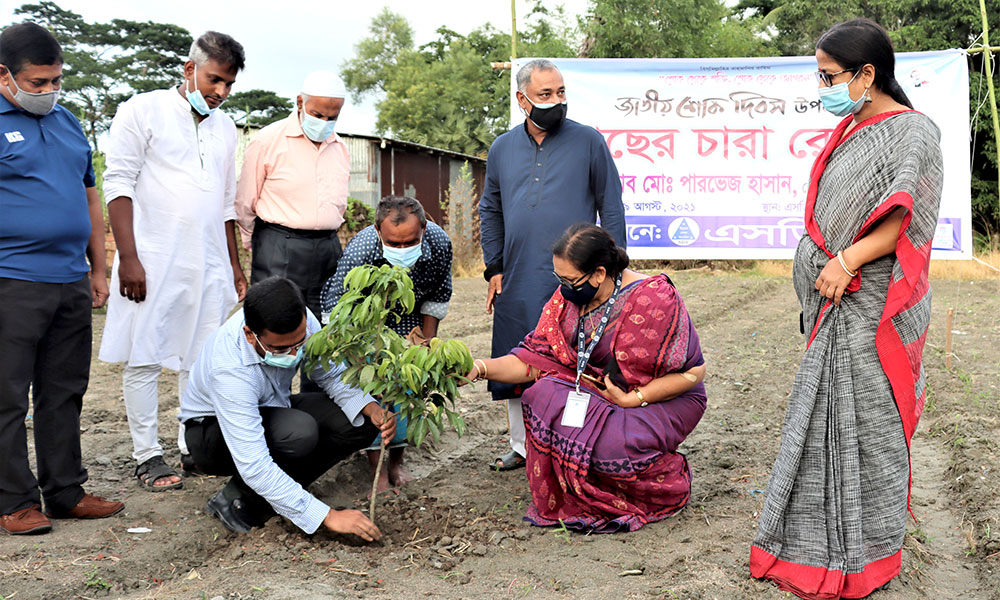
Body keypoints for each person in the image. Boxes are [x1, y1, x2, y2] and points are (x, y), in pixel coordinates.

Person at [750, 19, 944, 600]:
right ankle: (811, 545)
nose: (822, 87)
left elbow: (901, 220)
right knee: (820, 422)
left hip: (870, 304)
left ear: (867, 74)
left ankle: (868, 555)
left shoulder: (911, 132)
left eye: (829, 76)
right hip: (833, 301)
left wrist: (846, 259)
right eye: (819, 75)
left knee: (868, 428)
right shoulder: (849, 129)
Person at [468, 224, 706, 532]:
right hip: (598, 391)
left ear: (599, 274)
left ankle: (667, 483)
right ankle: (582, 489)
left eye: (569, 280)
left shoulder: (654, 298)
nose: (563, 288)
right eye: (559, 278)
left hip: (661, 397)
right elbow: (534, 360)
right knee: (541, 395)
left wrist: (633, 398)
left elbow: (693, 372)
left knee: (611, 448)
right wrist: (479, 368)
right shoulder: (568, 299)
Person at [99, 31, 248, 492]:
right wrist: (128, 258)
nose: (221, 92)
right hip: (153, 259)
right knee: (143, 356)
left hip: (207, 263)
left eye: (229, 84)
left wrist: (234, 266)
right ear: (189, 70)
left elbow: (226, 204)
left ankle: (191, 447)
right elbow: (118, 184)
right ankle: (147, 455)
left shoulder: (226, 128)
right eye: (214, 79)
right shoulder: (142, 110)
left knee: (199, 360)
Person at [0, 22, 123, 535]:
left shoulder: (68, 121)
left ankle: (66, 491)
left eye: (56, 81)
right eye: (38, 82)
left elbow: (88, 194)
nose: (49, 91)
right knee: (7, 396)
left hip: (70, 278)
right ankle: (14, 501)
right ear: (4, 75)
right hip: (12, 279)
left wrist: (99, 265)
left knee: (64, 389)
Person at [479, 59, 627, 472]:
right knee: (517, 355)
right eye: (545, 94)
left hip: (579, 276)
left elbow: (611, 206)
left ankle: (577, 447)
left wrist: (612, 268)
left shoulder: (588, 141)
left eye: (560, 92)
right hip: (519, 274)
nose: (556, 101)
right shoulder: (502, 148)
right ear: (522, 99)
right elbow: (490, 209)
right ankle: (522, 446)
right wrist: (494, 268)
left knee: (579, 359)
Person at [179, 277, 395, 539]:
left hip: (273, 407)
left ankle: (279, 496)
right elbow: (254, 463)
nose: (293, 354)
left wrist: (372, 408)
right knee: (299, 432)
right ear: (250, 335)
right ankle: (237, 500)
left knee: (357, 421)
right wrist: (326, 516)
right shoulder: (229, 371)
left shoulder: (301, 321)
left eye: (299, 344)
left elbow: (330, 374)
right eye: (281, 349)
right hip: (211, 434)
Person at [320, 196, 452, 493]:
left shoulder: (439, 242)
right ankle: (376, 471)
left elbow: (438, 294)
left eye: (410, 242)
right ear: (378, 231)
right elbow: (338, 305)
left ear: (423, 229)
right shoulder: (362, 248)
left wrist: (426, 344)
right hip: (368, 326)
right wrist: (360, 359)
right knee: (376, 396)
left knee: (407, 392)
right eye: (394, 243)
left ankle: (396, 463)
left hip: (410, 323)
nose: (402, 249)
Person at [235, 70, 349, 320]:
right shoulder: (268, 140)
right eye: (317, 115)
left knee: (325, 321)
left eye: (332, 117)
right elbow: (245, 201)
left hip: (327, 249)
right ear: (300, 103)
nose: (324, 122)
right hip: (279, 245)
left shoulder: (339, 147)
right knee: (275, 319)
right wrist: (254, 240)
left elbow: (339, 204)